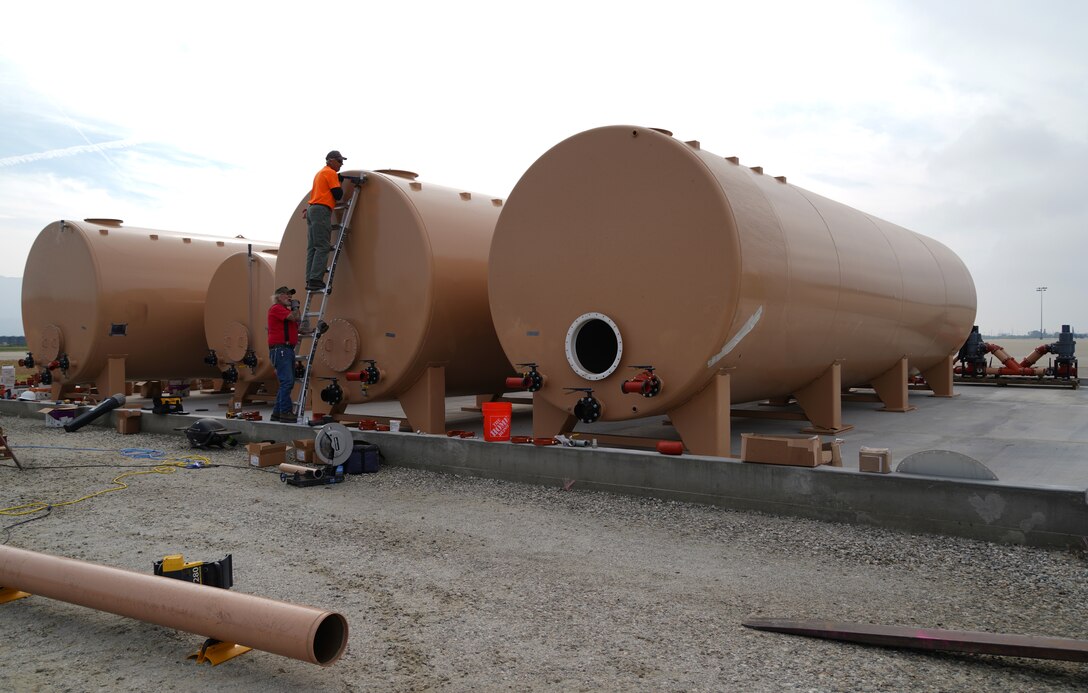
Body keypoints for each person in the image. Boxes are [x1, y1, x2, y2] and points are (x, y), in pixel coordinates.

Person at [305, 150, 347, 291]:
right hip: (321, 210)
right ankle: (316, 279)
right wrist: (339, 181)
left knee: (313, 247)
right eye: (340, 161)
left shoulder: (320, 173)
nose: (341, 164)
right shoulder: (330, 173)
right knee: (323, 246)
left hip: (312, 209)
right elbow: (338, 194)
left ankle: (309, 278)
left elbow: (318, 193)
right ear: (330, 160)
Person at [267, 286, 301, 421]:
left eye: (290, 295)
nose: (290, 297)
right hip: (281, 349)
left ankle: (277, 413)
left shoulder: (284, 312)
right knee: (287, 381)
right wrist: (295, 307)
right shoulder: (276, 309)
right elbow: (294, 317)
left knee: (286, 382)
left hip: (286, 350)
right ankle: (285, 412)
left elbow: (296, 322)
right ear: (278, 297)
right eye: (286, 294)